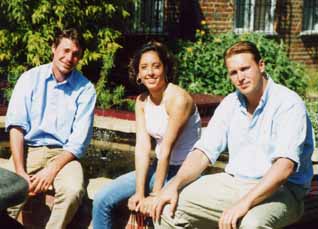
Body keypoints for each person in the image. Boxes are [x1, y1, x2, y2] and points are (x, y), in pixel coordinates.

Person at [151, 41, 315, 229]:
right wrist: (173, 185)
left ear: (261, 65)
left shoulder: (288, 103)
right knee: (166, 209)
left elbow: (284, 168)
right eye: (234, 72)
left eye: (245, 69)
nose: (240, 77)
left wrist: (244, 203)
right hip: (234, 182)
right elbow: (203, 152)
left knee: (251, 224)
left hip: (282, 190)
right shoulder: (231, 103)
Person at [92, 41, 201, 228]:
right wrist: (139, 192)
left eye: (156, 66)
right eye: (144, 68)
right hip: (158, 168)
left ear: (165, 68)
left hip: (184, 172)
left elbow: (166, 148)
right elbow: (142, 149)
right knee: (102, 199)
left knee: (159, 213)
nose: (150, 72)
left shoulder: (178, 99)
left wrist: (155, 194)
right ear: (138, 75)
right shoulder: (142, 102)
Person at [4, 28, 96, 229]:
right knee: (5, 190)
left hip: (64, 156)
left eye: (75, 54)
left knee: (72, 191)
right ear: (53, 49)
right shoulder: (29, 79)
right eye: (65, 50)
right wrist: (20, 171)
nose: (69, 57)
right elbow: (17, 127)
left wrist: (51, 171)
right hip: (29, 150)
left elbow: (78, 142)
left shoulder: (86, 89)